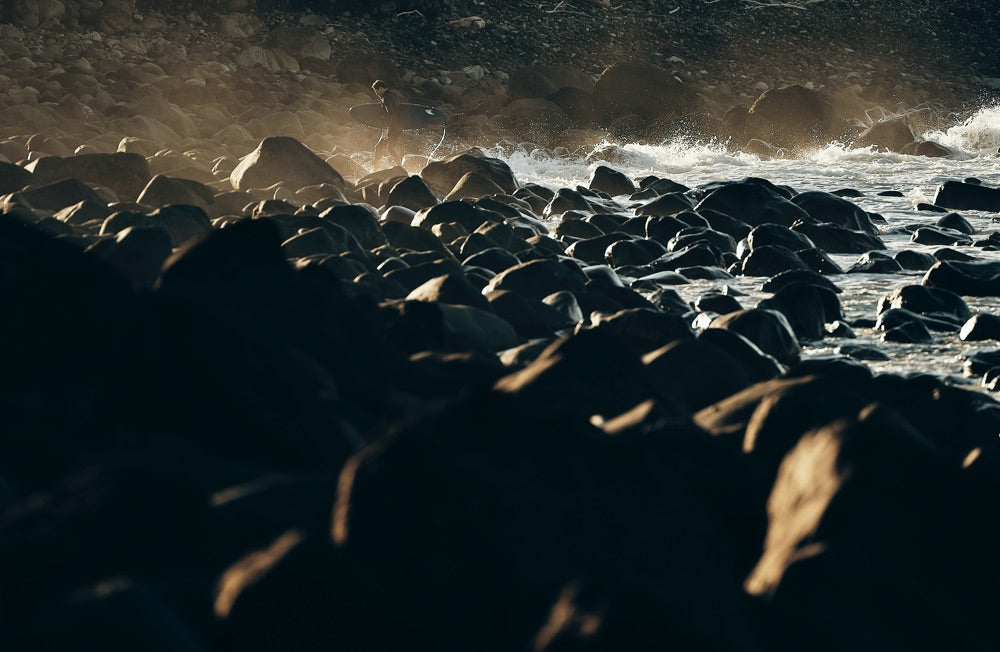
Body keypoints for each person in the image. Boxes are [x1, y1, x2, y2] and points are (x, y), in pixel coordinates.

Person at [371, 79, 404, 168]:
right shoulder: (393, 95)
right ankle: (400, 167)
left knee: (378, 147)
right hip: (398, 127)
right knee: (390, 148)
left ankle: (375, 168)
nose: (376, 93)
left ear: (381, 88)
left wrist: (387, 128)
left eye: (376, 91)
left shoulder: (387, 97)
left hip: (392, 127)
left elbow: (391, 113)